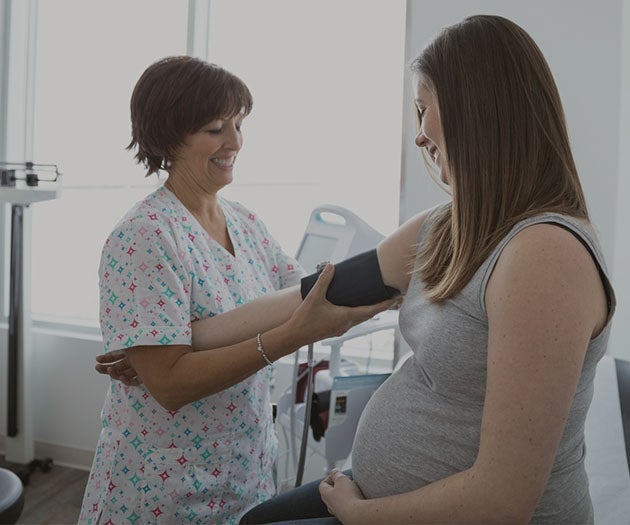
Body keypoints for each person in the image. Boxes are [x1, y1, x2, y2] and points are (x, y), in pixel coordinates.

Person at [234, 14, 616, 525]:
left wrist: (355, 512)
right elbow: (310, 295)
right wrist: (180, 341)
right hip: (375, 492)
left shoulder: (546, 255)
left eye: (422, 110)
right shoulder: (443, 229)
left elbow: (501, 502)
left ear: (474, 110)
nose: (418, 137)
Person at [79, 55, 393, 525]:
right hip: (162, 486)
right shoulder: (145, 235)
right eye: (215, 128)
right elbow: (169, 385)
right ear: (168, 136)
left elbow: (309, 295)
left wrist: (395, 276)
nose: (235, 142)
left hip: (241, 473)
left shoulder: (244, 222)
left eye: (238, 125)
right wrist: (288, 337)